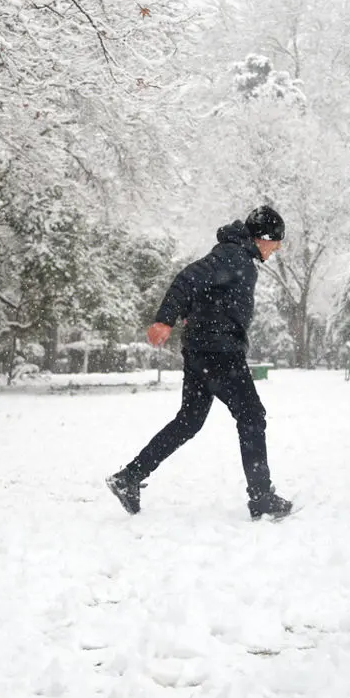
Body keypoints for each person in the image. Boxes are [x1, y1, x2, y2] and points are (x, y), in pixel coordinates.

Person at [105, 205, 293, 521]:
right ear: (263, 238)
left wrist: (194, 315)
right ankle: (261, 496)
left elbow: (202, 289)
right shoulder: (233, 256)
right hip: (219, 352)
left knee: (190, 420)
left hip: (201, 350)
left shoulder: (235, 256)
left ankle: (130, 477)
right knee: (252, 417)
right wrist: (165, 320)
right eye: (276, 241)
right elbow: (188, 278)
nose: (277, 248)